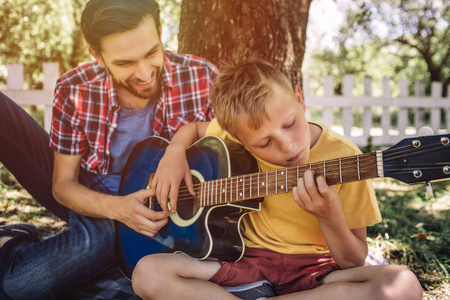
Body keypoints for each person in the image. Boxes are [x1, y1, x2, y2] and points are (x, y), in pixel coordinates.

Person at [131, 58, 423, 299]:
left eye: (290, 124)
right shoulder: (233, 132)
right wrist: (174, 151)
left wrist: (329, 215)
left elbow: (353, 260)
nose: (288, 146)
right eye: (264, 144)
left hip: (315, 274)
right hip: (244, 263)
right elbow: (194, 130)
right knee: (146, 272)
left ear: (299, 99)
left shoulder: (347, 158)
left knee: (403, 285)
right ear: (239, 140)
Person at [0, 0, 218, 298]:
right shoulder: (74, 88)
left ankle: (15, 242)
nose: (143, 73)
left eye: (151, 53)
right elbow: (63, 185)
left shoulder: (202, 76)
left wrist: (177, 150)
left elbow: (232, 155)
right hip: (95, 193)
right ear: (97, 55)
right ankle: (15, 238)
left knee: (19, 286)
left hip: (158, 208)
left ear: (160, 31)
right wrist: (118, 210)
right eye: (124, 63)